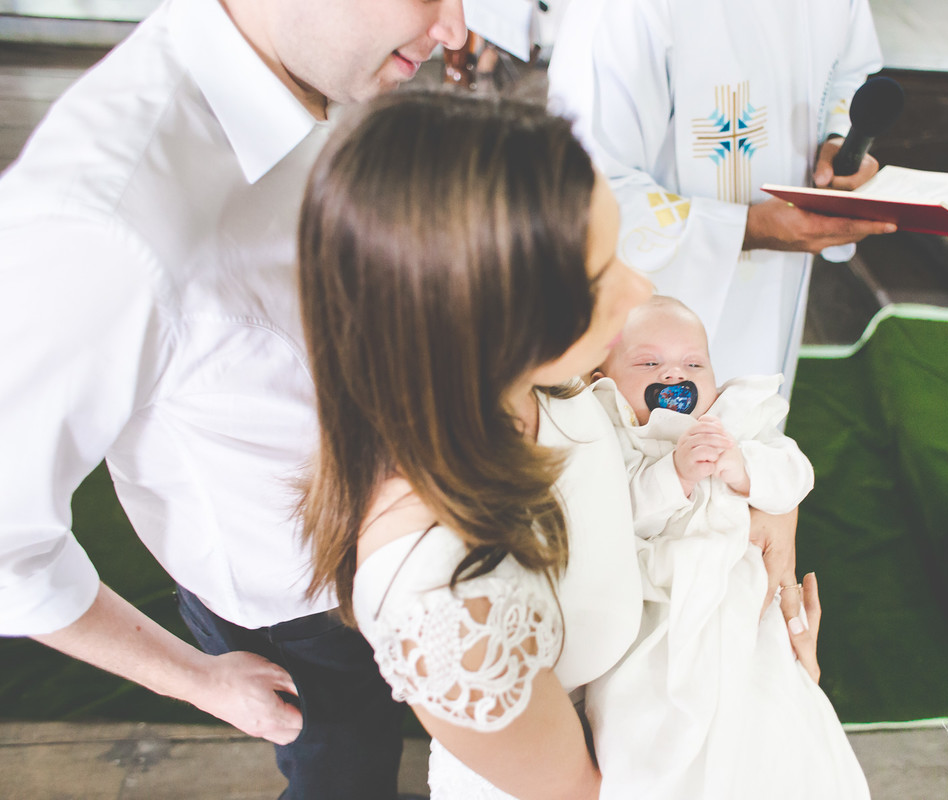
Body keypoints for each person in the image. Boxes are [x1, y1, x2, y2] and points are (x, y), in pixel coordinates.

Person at [295, 91, 822, 799]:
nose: (639, 290)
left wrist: (770, 528)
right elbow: (587, 789)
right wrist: (761, 715)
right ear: (487, 317)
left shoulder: (553, 383)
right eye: (598, 276)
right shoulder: (446, 604)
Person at [0, 0, 466, 795]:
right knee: (347, 778)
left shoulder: (309, 73)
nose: (455, 29)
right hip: (303, 618)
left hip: (402, 545)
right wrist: (196, 680)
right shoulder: (101, 221)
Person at [587, 295, 869, 799]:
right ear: (601, 378)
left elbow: (795, 474)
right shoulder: (612, 436)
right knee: (647, 720)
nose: (675, 375)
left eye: (694, 363)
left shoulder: (739, 422)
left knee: (773, 716)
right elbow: (609, 517)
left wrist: (744, 470)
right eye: (649, 363)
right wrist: (672, 475)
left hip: (740, 602)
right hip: (656, 614)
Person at [547, 0, 897, 393]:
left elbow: (848, 71)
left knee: (754, 431)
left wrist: (840, 142)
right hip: (651, 319)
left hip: (777, 282)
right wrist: (743, 228)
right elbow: (585, 189)